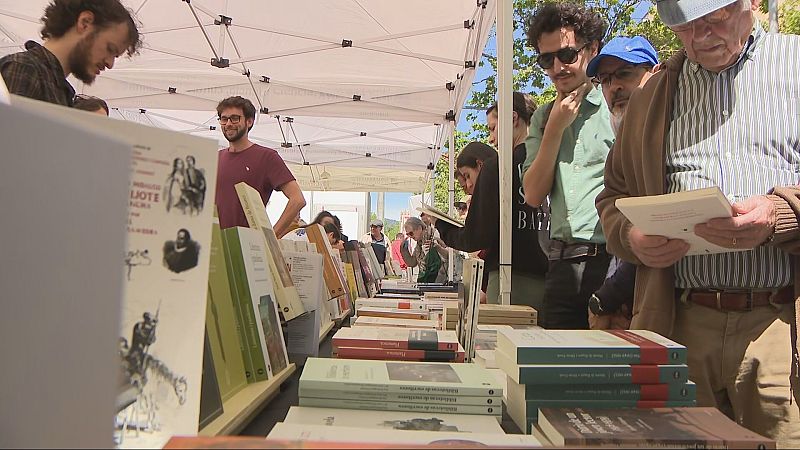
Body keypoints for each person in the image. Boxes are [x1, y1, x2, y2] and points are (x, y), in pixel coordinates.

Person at [595, 0, 800, 444]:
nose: (700, 37)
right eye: (684, 27)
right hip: (680, 324)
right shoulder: (652, 96)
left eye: (714, 19)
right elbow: (612, 196)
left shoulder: (795, 65)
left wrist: (779, 214)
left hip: (781, 329)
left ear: (750, 5)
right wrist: (631, 236)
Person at [521, 3, 615, 329]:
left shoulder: (614, 107)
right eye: (547, 60)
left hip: (608, 265)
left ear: (592, 49)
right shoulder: (543, 118)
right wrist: (555, 130)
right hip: (560, 265)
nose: (558, 67)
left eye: (567, 54)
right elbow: (533, 195)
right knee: (552, 361)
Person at [583, 36, 659, 330]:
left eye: (625, 73)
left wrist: (608, 297)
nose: (614, 87)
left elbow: (660, 227)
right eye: (605, 80)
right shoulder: (623, 142)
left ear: (654, 74)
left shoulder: (671, 134)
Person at [0, 0, 141, 106]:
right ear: (85, 23)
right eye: (110, 49)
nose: (110, 64)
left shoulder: (61, 91)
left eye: (115, 56)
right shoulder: (25, 68)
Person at [214, 96, 306, 236]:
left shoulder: (266, 157)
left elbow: (298, 199)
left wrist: (272, 236)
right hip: (213, 242)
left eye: (235, 118)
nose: (228, 124)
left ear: (249, 121)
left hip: (248, 244)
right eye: (224, 119)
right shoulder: (215, 158)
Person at [400, 216, 444, 283]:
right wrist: (404, 251)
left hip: (438, 280)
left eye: (411, 233)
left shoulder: (434, 235)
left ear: (419, 228)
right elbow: (412, 263)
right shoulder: (419, 244)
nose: (410, 236)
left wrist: (437, 247)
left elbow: (446, 257)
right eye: (407, 234)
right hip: (426, 280)